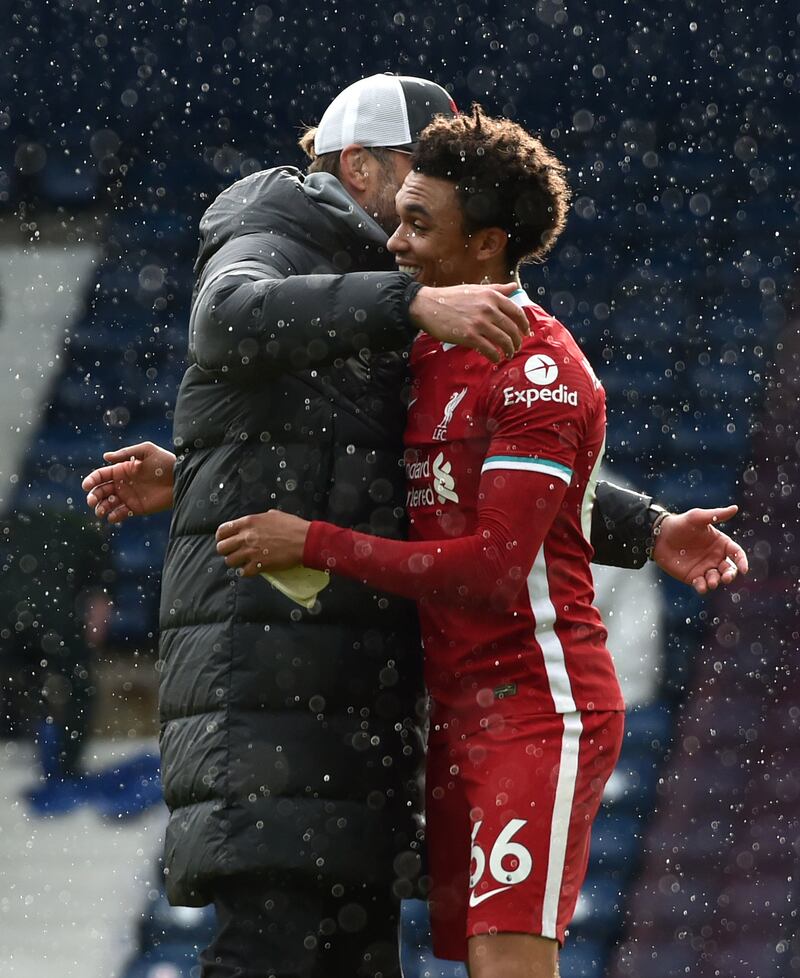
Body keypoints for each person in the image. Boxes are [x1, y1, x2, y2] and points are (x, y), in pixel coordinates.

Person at [81, 76, 746, 978]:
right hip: (277, 688)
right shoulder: (281, 230)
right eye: (409, 181)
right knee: (272, 946)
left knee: (353, 952)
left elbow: (448, 475)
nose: (407, 222)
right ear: (359, 167)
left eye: (428, 207)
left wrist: (649, 526)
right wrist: (214, 468)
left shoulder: (434, 316)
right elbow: (226, 319)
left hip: (379, 706)